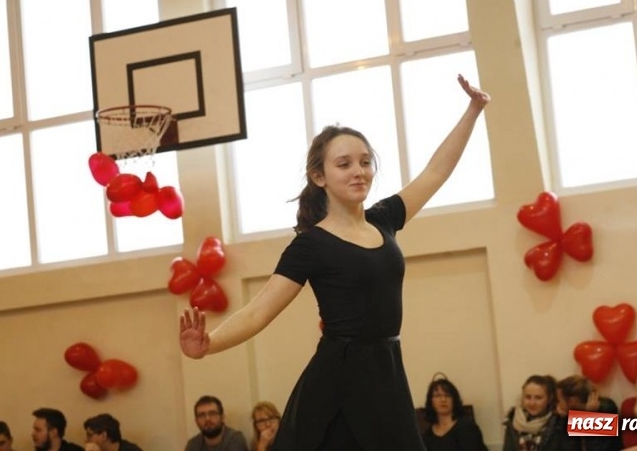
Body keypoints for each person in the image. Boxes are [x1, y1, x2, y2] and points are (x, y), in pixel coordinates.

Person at [179, 74, 491, 451]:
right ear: (319, 176)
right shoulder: (311, 246)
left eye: (365, 162)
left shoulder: (384, 218)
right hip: (338, 374)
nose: (358, 171)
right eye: (344, 164)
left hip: (386, 367)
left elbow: (435, 172)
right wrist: (208, 344)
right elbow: (258, 312)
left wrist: (473, 110)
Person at [422, 374, 488, 451]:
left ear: (454, 400)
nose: (443, 400)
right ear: (431, 401)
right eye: (437, 396)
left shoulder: (467, 428)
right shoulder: (427, 436)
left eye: (447, 395)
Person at [556, 374, 621, 451]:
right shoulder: (567, 416)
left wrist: (590, 417)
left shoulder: (607, 410)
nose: (558, 404)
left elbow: (597, 448)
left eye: (559, 400)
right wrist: (563, 420)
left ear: (572, 400)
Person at [503, 374, 565, 451]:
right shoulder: (513, 419)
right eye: (528, 397)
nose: (532, 403)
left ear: (549, 398)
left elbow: (583, 437)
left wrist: (567, 413)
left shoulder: (560, 419)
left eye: (538, 398)